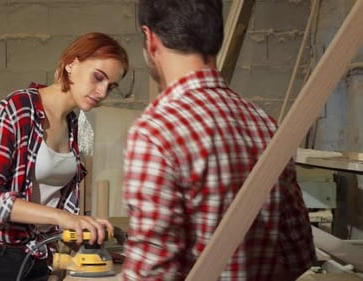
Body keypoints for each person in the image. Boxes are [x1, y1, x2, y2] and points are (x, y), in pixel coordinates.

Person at [121, 0, 316, 280]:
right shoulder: (265, 124)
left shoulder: (156, 131)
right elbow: (299, 255)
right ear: (216, 37)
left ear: (151, 39)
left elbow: (151, 274)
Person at [0, 32, 129, 281]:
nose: (103, 92)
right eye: (98, 77)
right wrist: (64, 218)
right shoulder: (17, 109)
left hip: (35, 255)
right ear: (71, 65)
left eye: (111, 86)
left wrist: (85, 235)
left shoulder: (76, 124)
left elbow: (56, 200)